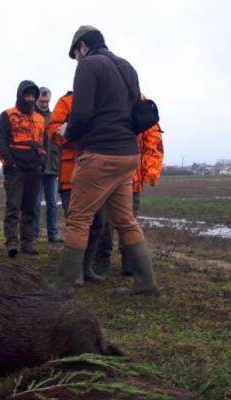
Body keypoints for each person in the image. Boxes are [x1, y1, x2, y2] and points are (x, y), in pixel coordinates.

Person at [52, 26, 159, 296]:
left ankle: (63, 287)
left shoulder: (88, 66)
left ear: (83, 46)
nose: (76, 59)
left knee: (78, 219)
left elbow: (82, 113)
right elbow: (135, 112)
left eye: (75, 53)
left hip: (99, 154)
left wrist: (67, 132)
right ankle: (146, 282)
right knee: (125, 220)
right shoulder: (127, 67)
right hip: (127, 155)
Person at [47, 91, 106, 286]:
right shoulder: (66, 102)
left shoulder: (104, 100)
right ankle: (76, 271)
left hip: (98, 175)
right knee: (77, 223)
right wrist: (77, 133)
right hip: (71, 175)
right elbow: (53, 131)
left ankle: (87, 268)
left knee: (98, 223)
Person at [94, 114, 164, 275]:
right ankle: (101, 260)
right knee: (104, 221)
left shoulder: (142, 105)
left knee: (128, 221)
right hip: (107, 175)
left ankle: (129, 262)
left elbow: (153, 142)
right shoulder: (106, 101)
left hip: (132, 178)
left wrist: (150, 172)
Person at [0, 80, 46, 257]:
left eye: (33, 95)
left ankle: (27, 242)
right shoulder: (7, 115)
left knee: (31, 207)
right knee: (13, 206)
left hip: (34, 168)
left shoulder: (40, 118)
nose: (30, 98)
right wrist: (10, 163)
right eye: (27, 95)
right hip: (15, 169)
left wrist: (42, 161)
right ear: (20, 95)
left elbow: (43, 142)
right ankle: (12, 243)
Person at [33, 87, 63, 244]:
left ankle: (53, 234)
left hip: (52, 167)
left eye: (46, 101)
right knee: (35, 203)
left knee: (52, 203)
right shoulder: (31, 117)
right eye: (41, 101)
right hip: (37, 167)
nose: (44, 104)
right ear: (37, 100)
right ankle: (34, 234)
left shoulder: (55, 118)